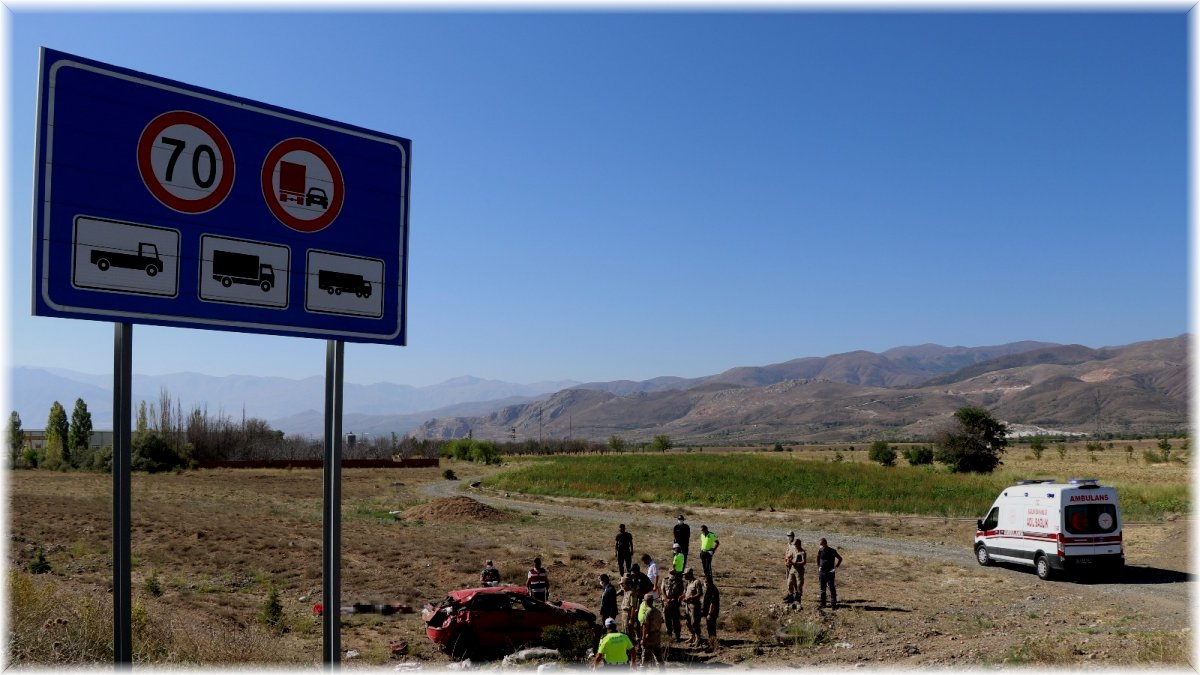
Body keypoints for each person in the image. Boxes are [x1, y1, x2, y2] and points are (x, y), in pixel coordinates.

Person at [640, 593, 666, 668]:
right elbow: (661, 623)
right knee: (659, 656)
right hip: (657, 635)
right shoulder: (658, 611)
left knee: (645, 658)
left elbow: (646, 627)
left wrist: (643, 639)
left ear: (645, 602)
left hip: (649, 637)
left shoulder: (647, 613)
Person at [816, 538, 843, 609]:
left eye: (821, 544)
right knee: (822, 588)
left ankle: (833, 604)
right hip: (822, 572)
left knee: (831, 587)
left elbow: (840, 558)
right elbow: (818, 557)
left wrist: (835, 567)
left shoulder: (832, 551)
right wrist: (819, 566)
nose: (820, 546)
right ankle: (823, 604)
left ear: (825, 543)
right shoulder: (820, 550)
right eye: (820, 544)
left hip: (830, 572)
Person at [681, 568, 705, 647]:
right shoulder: (688, 582)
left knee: (694, 623)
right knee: (687, 622)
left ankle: (698, 638)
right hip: (687, 605)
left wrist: (690, 598)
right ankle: (692, 636)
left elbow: (700, 593)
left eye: (685, 575)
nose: (684, 576)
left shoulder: (696, 582)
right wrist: (682, 596)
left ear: (690, 574)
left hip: (694, 605)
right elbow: (685, 592)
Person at [662, 569, 684, 642]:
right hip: (666, 603)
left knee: (676, 620)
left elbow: (681, 592)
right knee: (667, 620)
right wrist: (666, 599)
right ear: (668, 573)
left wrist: (677, 599)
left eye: (673, 573)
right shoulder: (665, 580)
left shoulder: (679, 581)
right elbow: (662, 590)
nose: (672, 575)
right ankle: (669, 636)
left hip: (675, 603)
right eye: (671, 573)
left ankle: (677, 636)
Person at [784, 531, 805, 604]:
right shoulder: (789, 544)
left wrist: (793, 562)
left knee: (797, 582)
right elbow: (788, 554)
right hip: (790, 566)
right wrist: (786, 561)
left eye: (790, 536)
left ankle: (797, 595)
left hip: (796, 567)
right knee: (789, 581)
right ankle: (790, 595)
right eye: (788, 536)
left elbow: (803, 561)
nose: (789, 537)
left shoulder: (797, 547)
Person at [701, 577, 720, 652]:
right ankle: (711, 643)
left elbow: (713, 604)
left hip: (712, 613)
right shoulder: (709, 589)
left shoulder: (713, 590)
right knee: (709, 629)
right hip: (708, 613)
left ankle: (713, 646)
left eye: (706, 582)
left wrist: (709, 614)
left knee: (711, 629)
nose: (705, 584)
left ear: (709, 582)